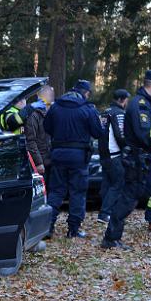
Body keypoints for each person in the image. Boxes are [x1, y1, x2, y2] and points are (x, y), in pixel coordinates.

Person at [101, 70, 151, 248]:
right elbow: (144, 135)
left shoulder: (148, 103)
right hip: (139, 161)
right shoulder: (140, 105)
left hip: (146, 160)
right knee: (129, 198)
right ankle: (111, 237)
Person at [43, 80, 104, 238]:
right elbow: (98, 132)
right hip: (78, 156)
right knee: (77, 192)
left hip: (58, 154)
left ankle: (47, 227)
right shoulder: (87, 109)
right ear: (86, 93)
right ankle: (73, 229)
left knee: (56, 191)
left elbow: (47, 128)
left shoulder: (55, 107)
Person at [97, 89, 130, 223]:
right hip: (114, 154)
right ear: (122, 99)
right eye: (127, 99)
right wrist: (126, 148)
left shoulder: (105, 112)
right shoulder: (119, 113)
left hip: (103, 154)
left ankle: (105, 213)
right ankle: (106, 213)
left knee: (107, 184)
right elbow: (120, 134)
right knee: (118, 184)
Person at [24, 85, 54, 175]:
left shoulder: (54, 112)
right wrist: (38, 162)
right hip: (42, 163)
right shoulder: (34, 115)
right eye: (48, 94)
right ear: (40, 96)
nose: (51, 97)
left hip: (54, 161)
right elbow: (30, 140)